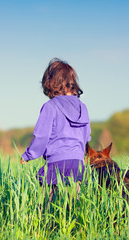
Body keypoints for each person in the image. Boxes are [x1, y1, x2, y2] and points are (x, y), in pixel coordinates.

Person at [20, 58, 91, 200]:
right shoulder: (82, 107)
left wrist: (29, 155)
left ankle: (43, 223)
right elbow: (86, 136)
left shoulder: (50, 107)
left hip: (56, 162)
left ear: (50, 82)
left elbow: (42, 136)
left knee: (46, 207)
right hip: (77, 162)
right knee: (71, 208)